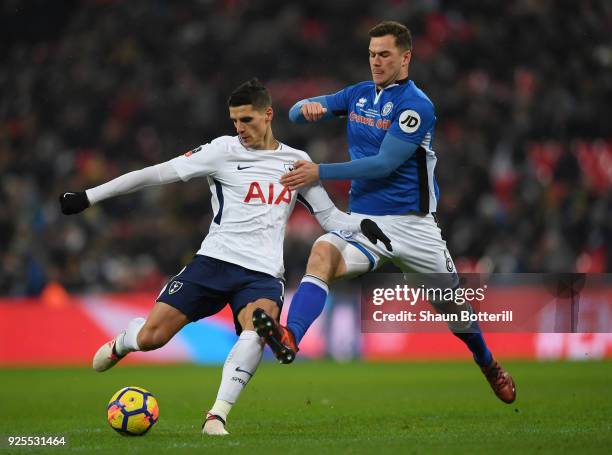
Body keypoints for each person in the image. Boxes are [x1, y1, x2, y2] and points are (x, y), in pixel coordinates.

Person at [59, 78, 392, 435]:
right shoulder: (222, 151)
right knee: (153, 338)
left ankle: (216, 415)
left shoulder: (297, 162)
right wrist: (89, 197)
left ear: (268, 115)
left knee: (258, 329)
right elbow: (155, 175)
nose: (240, 129)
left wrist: (362, 225)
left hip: (263, 273)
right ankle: (127, 339)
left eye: (246, 120)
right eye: (234, 121)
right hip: (213, 263)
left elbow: (329, 218)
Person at [253, 21, 516, 404]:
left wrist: (320, 172)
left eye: (385, 54)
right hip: (365, 223)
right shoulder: (358, 95)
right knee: (322, 254)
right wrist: (305, 108)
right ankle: (291, 335)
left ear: (406, 57)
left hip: (413, 226)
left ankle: (488, 362)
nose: (376, 61)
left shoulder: (417, 106)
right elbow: (292, 113)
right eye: (372, 54)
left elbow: (384, 165)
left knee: (454, 310)